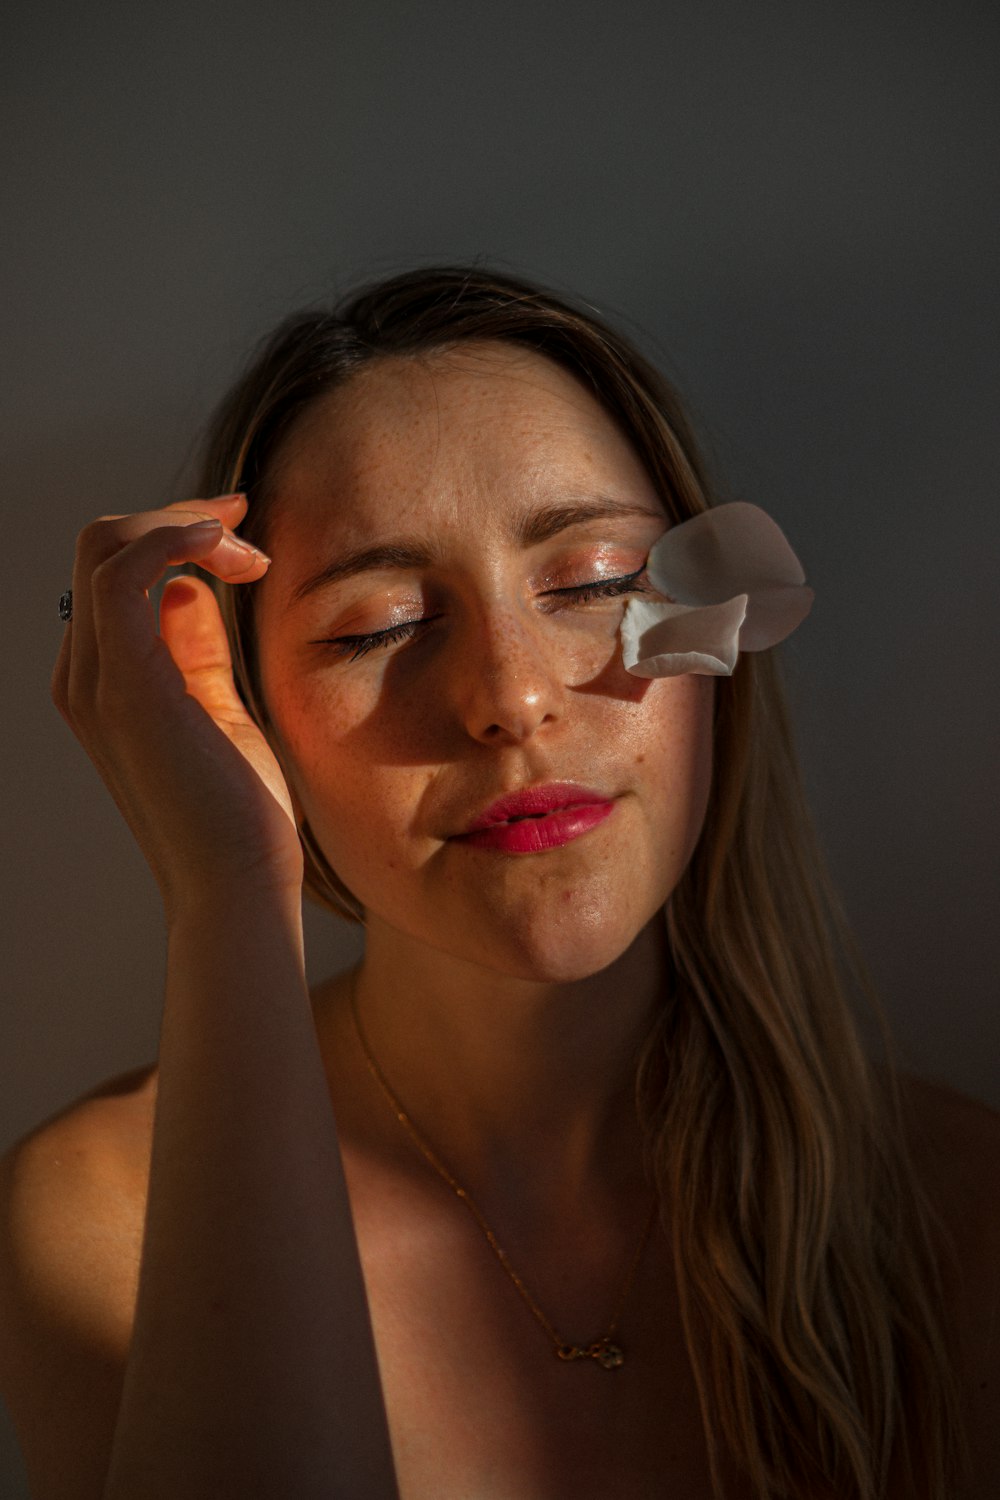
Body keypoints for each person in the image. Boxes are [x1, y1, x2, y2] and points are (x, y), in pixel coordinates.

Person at [0, 266, 996, 1500]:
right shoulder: (106, 1223)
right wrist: (226, 893)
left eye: (589, 585)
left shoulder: (969, 1218)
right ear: (245, 705)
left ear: (723, 634)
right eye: (378, 626)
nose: (512, 698)